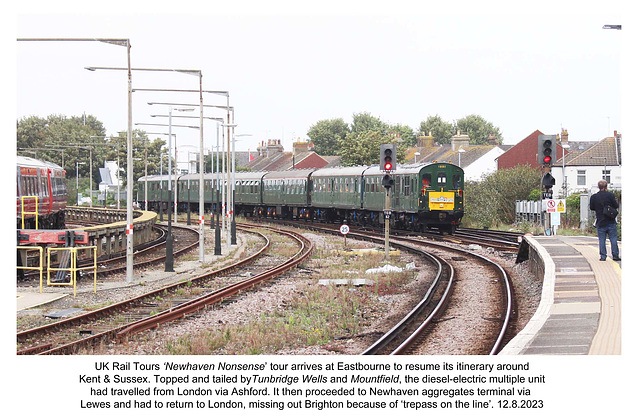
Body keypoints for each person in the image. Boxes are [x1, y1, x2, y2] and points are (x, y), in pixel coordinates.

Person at [589, 180, 620, 261]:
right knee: (613, 239)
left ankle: (603, 256)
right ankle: (615, 255)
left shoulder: (594, 197)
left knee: (602, 239)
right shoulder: (610, 195)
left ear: (598, 187)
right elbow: (616, 205)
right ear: (606, 187)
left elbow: (591, 207)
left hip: (600, 220)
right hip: (611, 220)